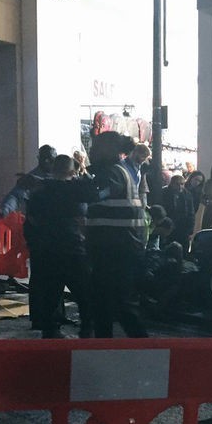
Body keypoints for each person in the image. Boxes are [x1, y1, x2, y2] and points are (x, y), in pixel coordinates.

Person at [24, 155, 98, 338]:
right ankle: (87, 327)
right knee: (84, 291)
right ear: (73, 172)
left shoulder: (39, 192)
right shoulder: (76, 190)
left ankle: (51, 329)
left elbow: (31, 219)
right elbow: (91, 193)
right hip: (73, 246)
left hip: (47, 247)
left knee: (51, 292)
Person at [85, 131, 149, 338]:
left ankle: (146, 352)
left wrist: (56, 186)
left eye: (95, 147)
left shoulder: (111, 173)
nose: (91, 151)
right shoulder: (119, 171)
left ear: (107, 150)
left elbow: (94, 193)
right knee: (106, 305)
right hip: (117, 249)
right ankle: (106, 350)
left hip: (116, 251)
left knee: (120, 306)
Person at [0, 145, 56, 217]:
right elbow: (16, 195)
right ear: (39, 158)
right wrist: (5, 209)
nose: (46, 162)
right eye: (44, 159)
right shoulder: (29, 179)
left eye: (49, 160)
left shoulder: (64, 176)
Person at [161, 174, 195, 247]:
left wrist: (190, 230)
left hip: (183, 227)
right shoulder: (164, 192)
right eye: (177, 184)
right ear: (171, 183)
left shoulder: (187, 195)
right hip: (168, 226)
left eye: (182, 184)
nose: (180, 186)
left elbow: (191, 213)